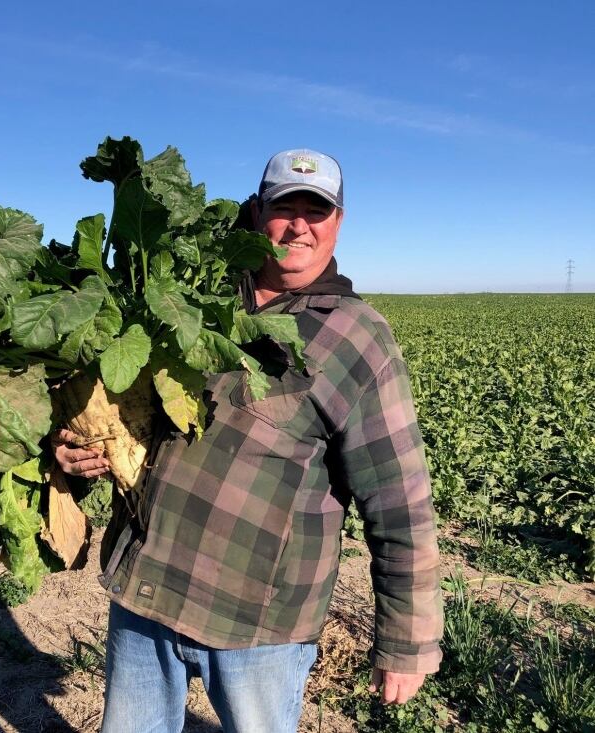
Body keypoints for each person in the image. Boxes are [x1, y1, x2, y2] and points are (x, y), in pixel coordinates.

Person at [54, 149, 443, 733]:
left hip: (257, 624)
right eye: (286, 208)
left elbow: (399, 501)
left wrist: (407, 643)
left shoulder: (357, 338)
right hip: (147, 586)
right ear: (258, 212)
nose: (300, 226)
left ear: (338, 223)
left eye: (318, 212)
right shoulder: (186, 294)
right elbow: (127, 410)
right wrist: (80, 451)